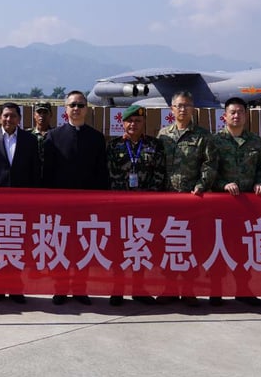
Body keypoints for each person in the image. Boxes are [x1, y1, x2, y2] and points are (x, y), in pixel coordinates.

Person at [41, 90, 108, 305]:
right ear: (65, 110)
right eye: (72, 105)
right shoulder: (53, 137)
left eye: (80, 105)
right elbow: (47, 173)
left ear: (87, 109)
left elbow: (101, 173)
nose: (76, 109)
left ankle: (80, 288)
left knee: (84, 247)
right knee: (60, 247)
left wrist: (100, 203)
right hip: (61, 205)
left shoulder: (96, 138)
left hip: (87, 205)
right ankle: (60, 287)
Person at [0, 102, 41, 304]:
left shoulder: (30, 140)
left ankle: (16, 288)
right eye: (5, 116)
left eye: (13, 116)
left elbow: (35, 172)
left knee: (17, 246)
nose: (8, 119)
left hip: (21, 203)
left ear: (19, 119)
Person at [155, 91, 215, 306]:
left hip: (192, 200)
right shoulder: (163, 135)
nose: (183, 109)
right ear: (171, 109)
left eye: (187, 106)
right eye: (179, 106)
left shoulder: (202, 136)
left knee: (190, 245)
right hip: (167, 200)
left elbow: (209, 164)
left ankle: (189, 289)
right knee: (168, 244)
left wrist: (201, 185)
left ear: (193, 109)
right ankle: (168, 288)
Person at [211, 97, 261, 307]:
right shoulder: (215, 141)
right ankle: (215, 290)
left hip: (247, 205)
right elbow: (208, 171)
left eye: (240, 112)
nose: (236, 115)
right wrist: (224, 183)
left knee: (244, 248)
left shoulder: (255, 141)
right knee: (219, 247)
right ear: (224, 116)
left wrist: (260, 183)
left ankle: (243, 289)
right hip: (222, 204)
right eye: (232, 112)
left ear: (246, 115)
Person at [107, 104, 166, 306]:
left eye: (138, 121)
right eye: (130, 121)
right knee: (118, 249)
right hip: (120, 207)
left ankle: (139, 289)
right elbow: (109, 177)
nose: (133, 124)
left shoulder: (154, 145)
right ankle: (117, 289)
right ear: (123, 123)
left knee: (140, 248)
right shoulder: (114, 147)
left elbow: (159, 175)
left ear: (143, 123)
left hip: (144, 207)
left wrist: (147, 198)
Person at [30, 101, 54, 178]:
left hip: (51, 176)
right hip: (32, 176)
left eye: (45, 112)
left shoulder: (56, 135)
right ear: (34, 115)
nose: (42, 115)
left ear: (51, 115)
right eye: (39, 112)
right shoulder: (27, 135)